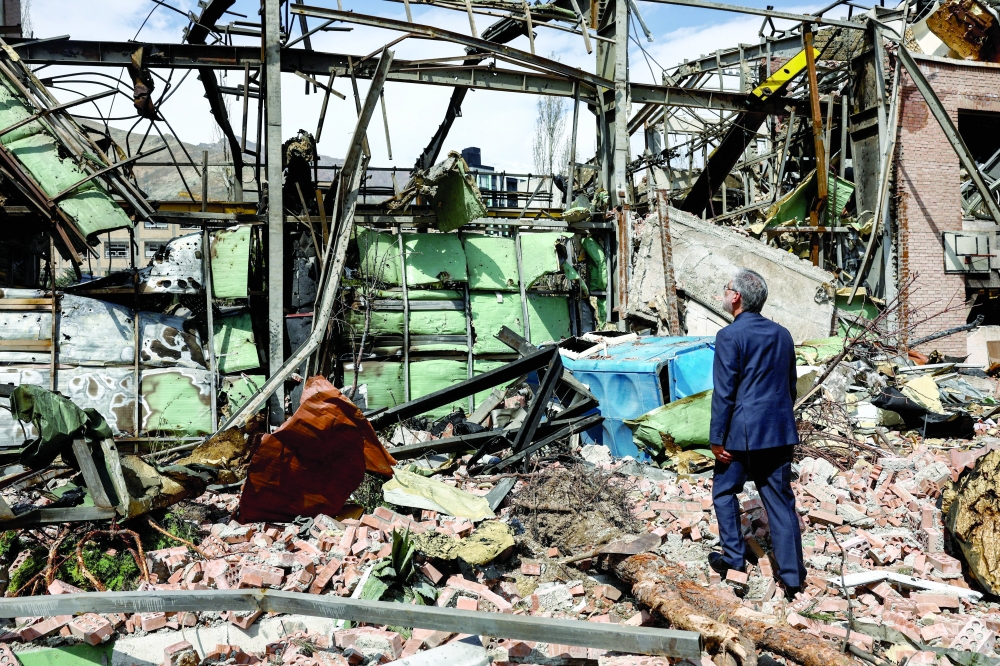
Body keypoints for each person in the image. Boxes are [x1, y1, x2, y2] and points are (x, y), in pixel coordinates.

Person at [708, 268, 806, 600]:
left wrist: (717, 438)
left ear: (736, 296)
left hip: (741, 437)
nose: (723, 293)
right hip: (778, 433)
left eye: (725, 288)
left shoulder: (729, 337)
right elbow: (790, 387)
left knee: (723, 492)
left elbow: (724, 393)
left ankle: (733, 561)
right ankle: (793, 579)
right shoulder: (783, 334)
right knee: (780, 503)